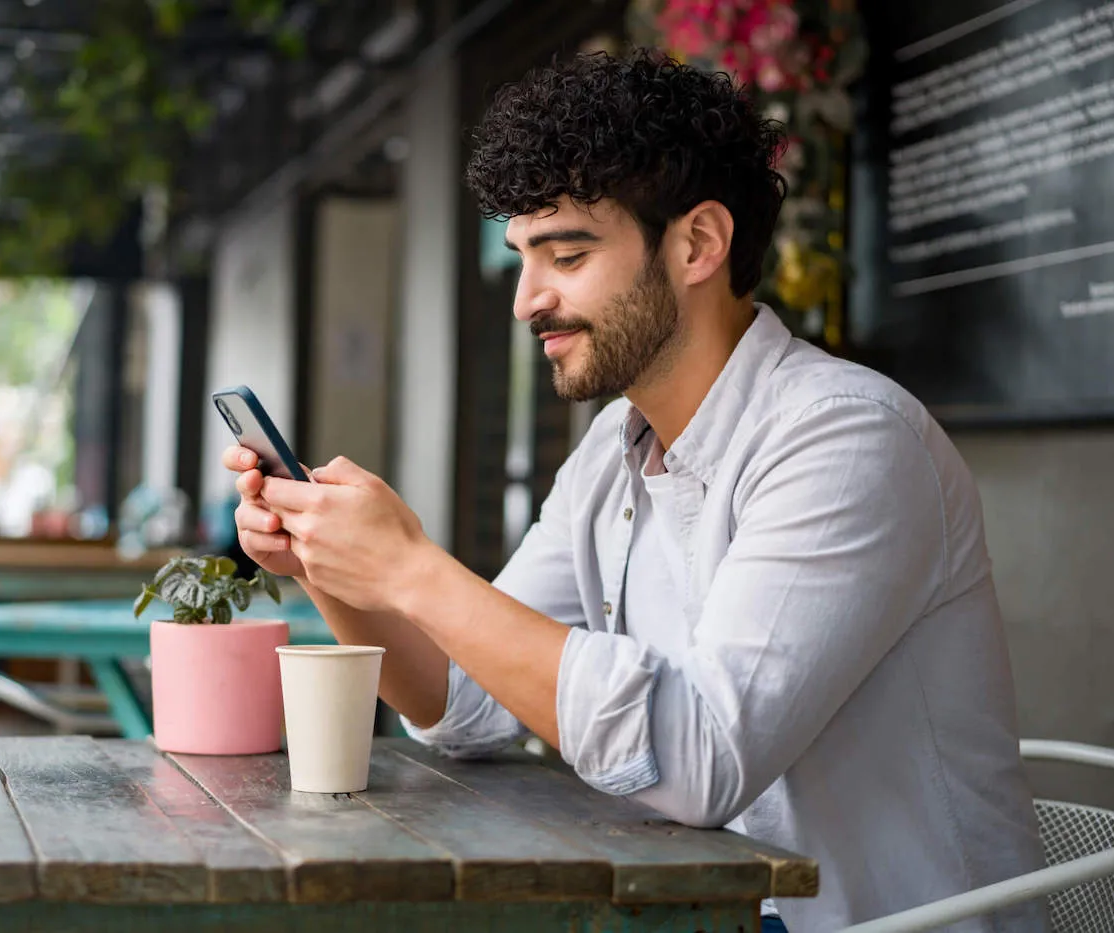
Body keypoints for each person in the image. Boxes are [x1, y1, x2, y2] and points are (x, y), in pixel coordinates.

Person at [223, 50, 1048, 932]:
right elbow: (464, 704)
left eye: (566, 255)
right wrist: (332, 560)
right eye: (522, 259)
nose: (526, 300)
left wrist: (414, 569)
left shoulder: (845, 437)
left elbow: (700, 759)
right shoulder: (612, 451)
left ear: (697, 243)